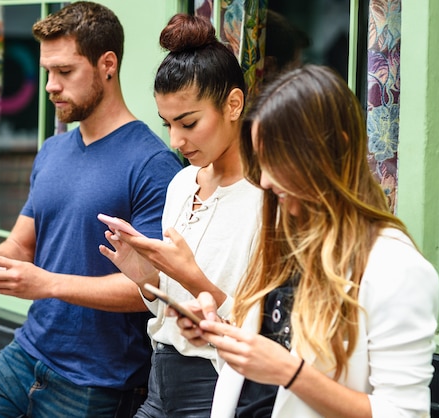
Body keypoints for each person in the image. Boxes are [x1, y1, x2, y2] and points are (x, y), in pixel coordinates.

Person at [0, 2, 182, 417]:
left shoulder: (152, 164)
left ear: (107, 65)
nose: (50, 85)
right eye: (48, 71)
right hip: (24, 354)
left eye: (65, 72)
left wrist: (46, 284)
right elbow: (20, 244)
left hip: (96, 381)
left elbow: (152, 291)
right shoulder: (52, 151)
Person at [175, 65, 439, 417]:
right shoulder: (286, 240)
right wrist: (220, 333)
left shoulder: (396, 267)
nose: (265, 181)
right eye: (261, 161)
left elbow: (404, 413)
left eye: (278, 161)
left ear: (334, 150)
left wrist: (288, 372)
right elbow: (267, 367)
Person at [99, 13, 263, 417]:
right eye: (168, 124)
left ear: (234, 104)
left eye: (188, 122)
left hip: (219, 387)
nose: (176, 140)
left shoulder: (267, 199)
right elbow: (170, 310)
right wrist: (147, 278)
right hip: (159, 378)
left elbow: (263, 328)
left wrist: (190, 276)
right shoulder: (181, 183)